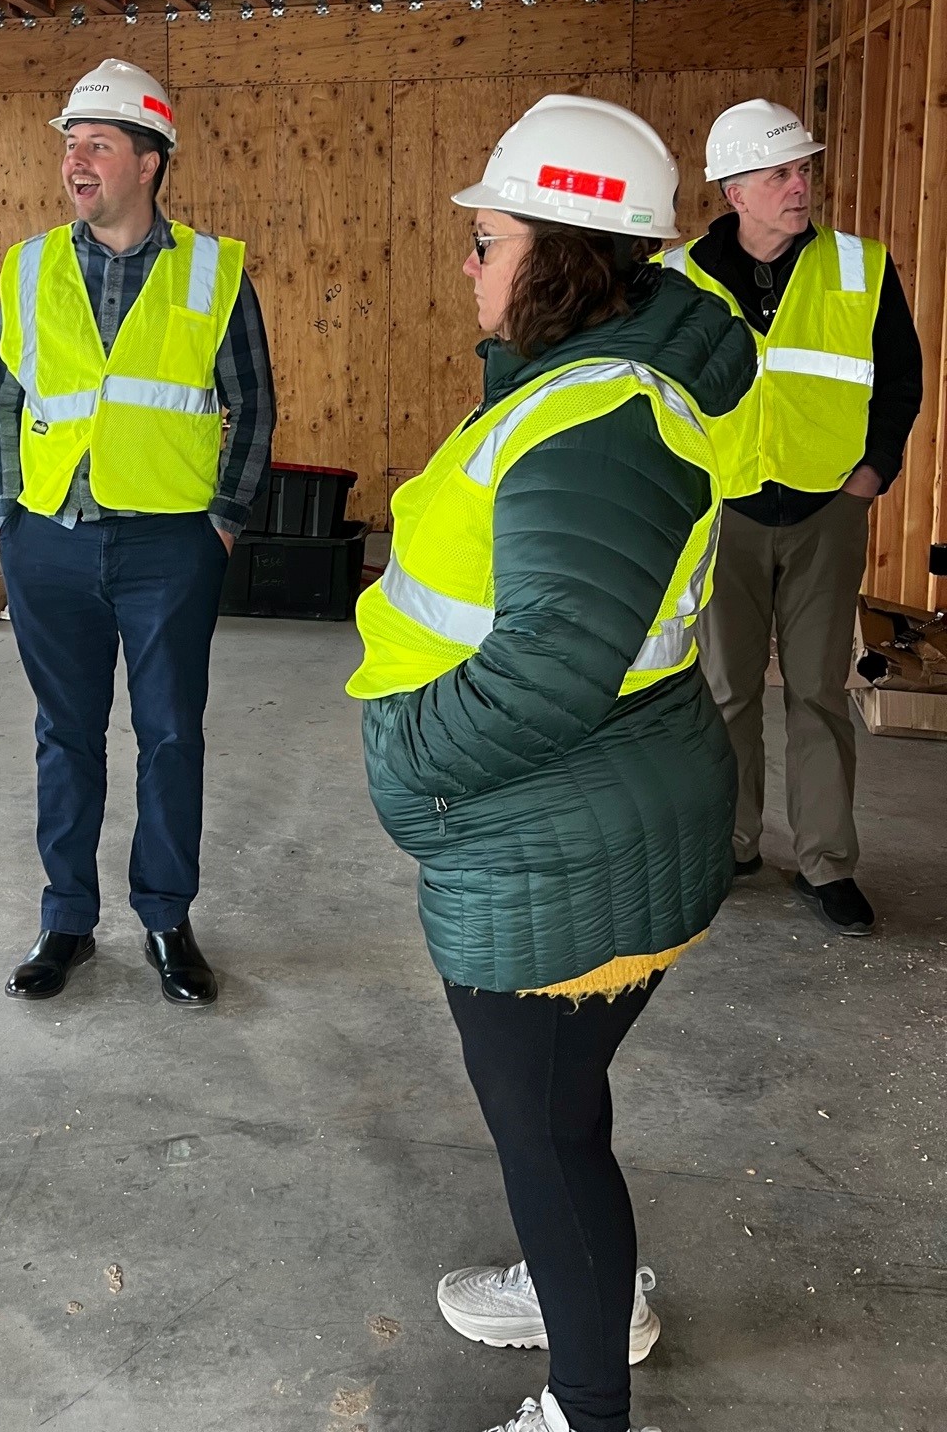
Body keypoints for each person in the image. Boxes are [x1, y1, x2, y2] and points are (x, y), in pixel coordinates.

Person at [351, 96, 755, 1432]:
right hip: (589, 819)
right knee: (560, 1109)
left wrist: (419, 770)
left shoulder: (599, 422)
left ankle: (585, 1401)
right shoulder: (591, 386)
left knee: (545, 1126)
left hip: (550, 843)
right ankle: (593, 1284)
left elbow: (551, 661)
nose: (467, 266)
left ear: (561, 255)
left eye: (485, 241)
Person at [0, 59, 274, 1006]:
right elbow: (2, 399)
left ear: (150, 162)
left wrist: (223, 523)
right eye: (72, 144)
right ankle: (66, 920)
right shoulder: (27, 267)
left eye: (99, 144)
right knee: (64, 735)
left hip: (167, 544)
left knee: (169, 737)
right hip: (50, 540)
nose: (78, 160)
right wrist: (5, 515)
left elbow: (253, 404)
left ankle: (165, 919)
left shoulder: (212, 269)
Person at [664, 100, 922, 936]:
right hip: (724, 509)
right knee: (725, 689)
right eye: (779, 173)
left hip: (827, 511)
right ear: (734, 190)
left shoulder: (860, 267)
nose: (799, 185)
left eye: (803, 169)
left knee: (817, 690)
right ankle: (733, 844)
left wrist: (872, 474)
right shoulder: (676, 278)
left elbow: (901, 380)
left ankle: (826, 865)